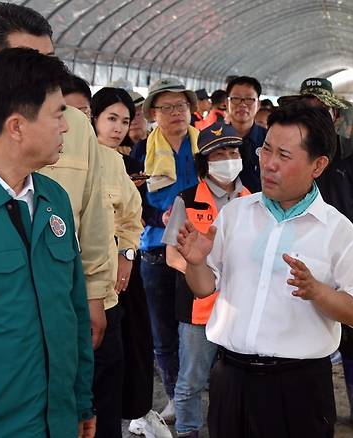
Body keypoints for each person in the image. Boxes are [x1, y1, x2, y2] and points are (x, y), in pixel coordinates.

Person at [177, 103, 353, 438]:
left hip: (298, 387)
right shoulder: (236, 214)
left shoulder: (339, 232)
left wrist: (317, 291)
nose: (269, 164)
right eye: (266, 149)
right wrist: (194, 264)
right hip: (231, 378)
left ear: (318, 165)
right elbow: (205, 288)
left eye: (284, 155)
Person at [0, 1, 113, 353]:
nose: (44, 71)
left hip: (57, 304)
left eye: (49, 58)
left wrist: (94, 294)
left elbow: (96, 212)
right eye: (29, 58)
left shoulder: (75, 126)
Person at [0, 47, 94, 437]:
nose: (66, 126)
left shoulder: (53, 198)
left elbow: (72, 310)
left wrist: (80, 401)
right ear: (17, 126)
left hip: (57, 422)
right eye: (58, 113)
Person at [281, 77, 353, 436]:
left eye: (321, 109)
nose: (314, 115)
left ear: (335, 114)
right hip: (297, 253)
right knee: (299, 322)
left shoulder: (352, 151)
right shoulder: (288, 150)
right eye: (307, 109)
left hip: (342, 253)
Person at [162, 123, 251, 438]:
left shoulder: (251, 199)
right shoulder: (187, 199)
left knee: (233, 380)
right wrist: (200, 275)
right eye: (220, 153)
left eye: (233, 151)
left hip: (240, 306)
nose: (228, 158)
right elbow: (172, 253)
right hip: (197, 308)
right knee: (192, 380)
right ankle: (188, 431)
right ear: (206, 161)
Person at [89, 87, 151, 438]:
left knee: (111, 370)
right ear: (93, 119)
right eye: (111, 118)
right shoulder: (67, 158)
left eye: (125, 121)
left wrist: (127, 254)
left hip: (113, 287)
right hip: (82, 286)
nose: (118, 128)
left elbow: (132, 216)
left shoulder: (116, 162)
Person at [139, 77, 200, 423]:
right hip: (156, 248)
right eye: (167, 107)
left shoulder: (204, 144)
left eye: (181, 106)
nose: (176, 113)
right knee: (163, 328)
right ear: (153, 114)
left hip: (197, 248)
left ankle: (194, 385)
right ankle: (175, 391)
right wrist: (155, 215)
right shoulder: (141, 151)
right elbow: (130, 201)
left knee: (196, 324)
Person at [225, 76, 267, 193]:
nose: (242, 105)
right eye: (236, 98)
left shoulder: (270, 139)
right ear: (226, 103)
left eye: (249, 99)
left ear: (258, 105)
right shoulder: (214, 139)